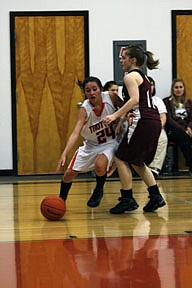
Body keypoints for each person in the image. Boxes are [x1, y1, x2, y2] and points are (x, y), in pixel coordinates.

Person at [103, 44, 166, 213]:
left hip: (143, 120)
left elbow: (134, 100)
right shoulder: (143, 77)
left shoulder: (130, 77)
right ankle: (155, 197)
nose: (121, 61)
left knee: (121, 158)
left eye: (123, 58)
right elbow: (136, 103)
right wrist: (122, 119)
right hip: (152, 120)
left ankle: (127, 198)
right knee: (137, 162)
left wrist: (115, 116)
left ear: (132, 60)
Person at [56, 76, 124, 208]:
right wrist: (64, 153)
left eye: (94, 89)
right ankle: (60, 202)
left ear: (101, 89)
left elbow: (126, 108)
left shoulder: (111, 97)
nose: (91, 93)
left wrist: (121, 121)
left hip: (109, 142)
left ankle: (99, 189)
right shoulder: (84, 109)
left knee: (100, 165)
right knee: (68, 175)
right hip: (90, 145)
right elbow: (76, 132)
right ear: (85, 93)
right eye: (88, 90)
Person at [163, 78, 192, 175]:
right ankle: (191, 164)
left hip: (186, 129)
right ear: (172, 89)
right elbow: (169, 119)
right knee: (184, 137)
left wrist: (189, 127)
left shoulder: (188, 102)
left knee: (186, 136)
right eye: (176, 87)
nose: (178, 89)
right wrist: (184, 129)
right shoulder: (167, 101)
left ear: (184, 89)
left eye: (180, 87)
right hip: (173, 130)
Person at [148, 76, 168, 178]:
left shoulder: (158, 100)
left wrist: (158, 128)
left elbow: (163, 116)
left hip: (156, 127)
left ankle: (154, 168)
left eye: (152, 84)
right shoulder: (136, 99)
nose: (150, 87)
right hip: (140, 127)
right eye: (148, 84)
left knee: (162, 138)